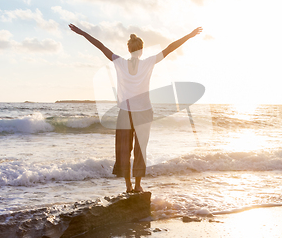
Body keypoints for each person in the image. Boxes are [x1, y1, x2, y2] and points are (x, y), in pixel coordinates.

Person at [69, 23, 202, 193]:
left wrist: (81, 33)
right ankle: (138, 185)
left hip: (126, 113)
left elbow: (100, 46)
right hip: (144, 112)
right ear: (141, 50)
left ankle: (129, 186)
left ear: (128, 49)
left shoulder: (120, 62)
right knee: (140, 149)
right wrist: (189, 35)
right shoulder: (148, 62)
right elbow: (170, 48)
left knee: (124, 150)